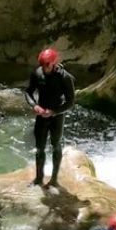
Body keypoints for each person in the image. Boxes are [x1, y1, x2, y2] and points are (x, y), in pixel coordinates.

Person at [25, 48, 76, 187]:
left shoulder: (64, 77)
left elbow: (70, 102)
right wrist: (34, 106)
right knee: (39, 148)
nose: (45, 67)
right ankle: (38, 178)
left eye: (48, 64)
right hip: (42, 115)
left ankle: (54, 179)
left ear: (54, 62)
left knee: (56, 145)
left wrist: (53, 112)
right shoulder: (37, 73)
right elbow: (28, 92)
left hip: (57, 115)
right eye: (43, 64)